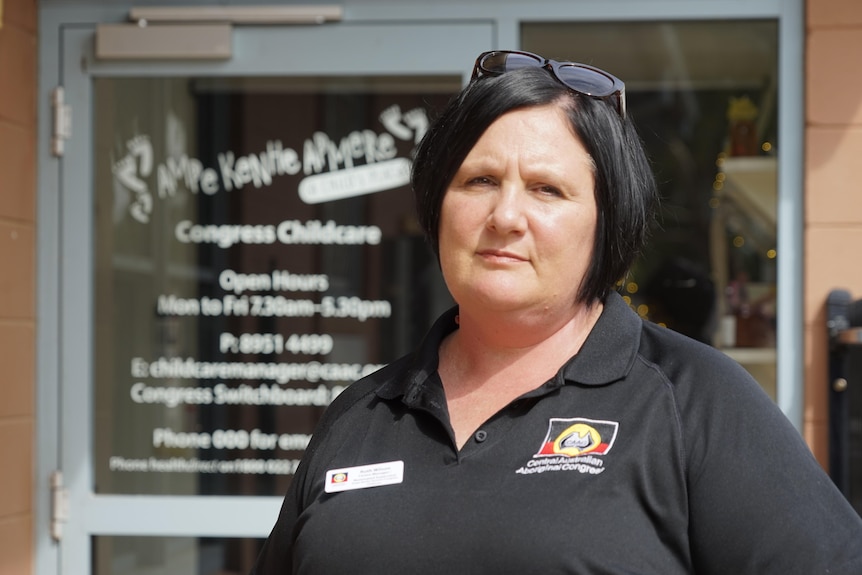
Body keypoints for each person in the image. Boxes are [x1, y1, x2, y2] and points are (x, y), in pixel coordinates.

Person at [251, 50, 862, 574]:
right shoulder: (361, 414)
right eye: (479, 181)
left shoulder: (692, 400)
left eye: (548, 189)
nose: (506, 217)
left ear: (606, 222)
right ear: (437, 209)